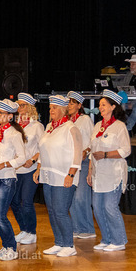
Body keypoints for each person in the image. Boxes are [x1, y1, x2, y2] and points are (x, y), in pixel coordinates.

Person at [34, 95, 82, 257]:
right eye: (50, 108)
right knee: (52, 211)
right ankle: (59, 242)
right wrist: (38, 169)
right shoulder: (49, 127)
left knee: (61, 211)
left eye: (54, 108)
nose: (51, 110)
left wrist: (71, 174)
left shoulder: (71, 128)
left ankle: (69, 245)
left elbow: (77, 153)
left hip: (64, 175)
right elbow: (42, 150)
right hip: (48, 175)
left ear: (62, 109)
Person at [0, 99, 26, 261]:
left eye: (1, 113)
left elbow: (22, 158)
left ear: (10, 116)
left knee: (0, 216)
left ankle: (12, 248)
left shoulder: (15, 134)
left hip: (7, 179)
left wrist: (4, 165)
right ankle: (6, 245)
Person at [88, 89, 131, 252]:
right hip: (98, 174)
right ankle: (106, 239)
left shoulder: (119, 126)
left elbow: (126, 150)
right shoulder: (97, 126)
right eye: (99, 105)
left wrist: (105, 155)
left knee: (109, 207)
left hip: (114, 173)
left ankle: (119, 240)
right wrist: (90, 172)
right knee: (97, 207)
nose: (100, 107)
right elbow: (92, 152)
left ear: (113, 107)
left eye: (104, 104)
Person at [11, 93, 44, 246]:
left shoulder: (37, 126)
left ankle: (32, 232)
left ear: (30, 107)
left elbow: (43, 149)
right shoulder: (13, 125)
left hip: (30, 169)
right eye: (18, 105)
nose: (19, 108)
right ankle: (24, 229)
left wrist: (33, 160)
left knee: (26, 201)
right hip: (15, 170)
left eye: (22, 105)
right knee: (14, 202)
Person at [67, 91, 96, 239]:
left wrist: (87, 150)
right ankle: (76, 228)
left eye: (72, 103)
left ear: (79, 105)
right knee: (71, 197)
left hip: (83, 162)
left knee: (81, 197)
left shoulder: (85, 120)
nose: (69, 105)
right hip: (70, 162)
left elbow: (93, 140)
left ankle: (87, 229)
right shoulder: (66, 122)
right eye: (68, 103)